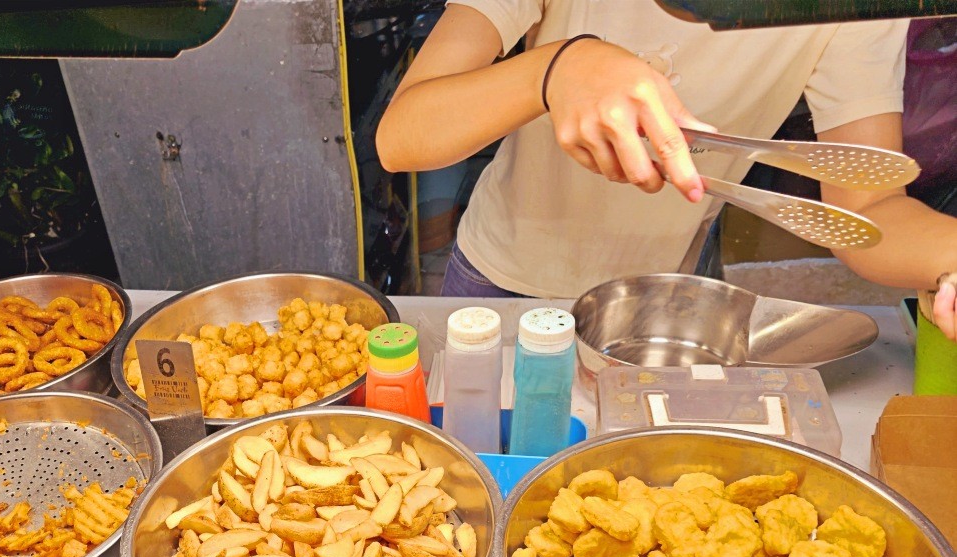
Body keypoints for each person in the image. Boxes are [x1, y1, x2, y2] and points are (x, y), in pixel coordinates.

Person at [376, 1, 957, 337]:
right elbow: (402, 135)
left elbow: (869, 210)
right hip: (502, 280)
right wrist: (552, 71)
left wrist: (948, 259)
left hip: (663, 297)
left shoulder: (846, 11)